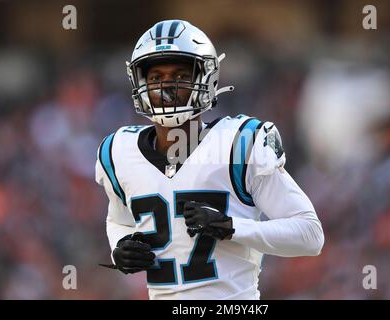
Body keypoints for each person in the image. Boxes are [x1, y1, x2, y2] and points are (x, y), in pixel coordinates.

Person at [95, 19, 324, 300]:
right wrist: (120, 244)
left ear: (205, 78)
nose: (167, 88)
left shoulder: (240, 144)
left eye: (179, 75)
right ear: (140, 83)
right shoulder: (120, 151)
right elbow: (118, 220)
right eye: (156, 78)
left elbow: (310, 235)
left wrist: (232, 227)